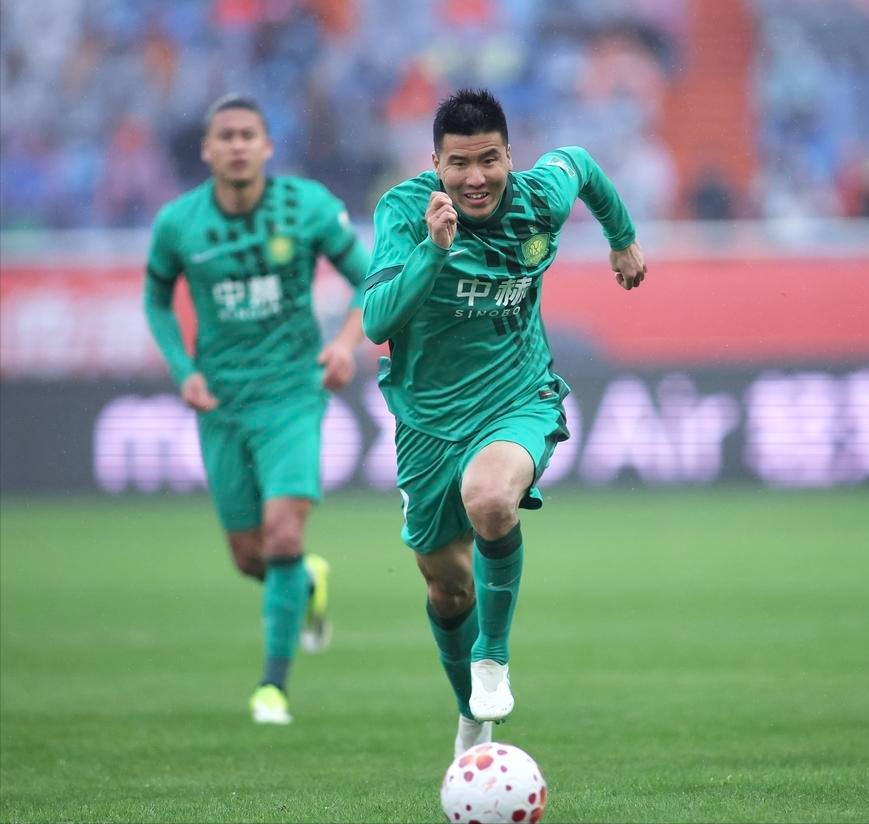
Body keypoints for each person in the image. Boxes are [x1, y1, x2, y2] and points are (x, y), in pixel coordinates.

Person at [362, 89, 646, 756]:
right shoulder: (404, 211)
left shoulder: (538, 199)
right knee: (445, 585)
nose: (476, 178)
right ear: (436, 163)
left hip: (518, 396)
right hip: (428, 421)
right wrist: (433, 251)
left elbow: (582, 165)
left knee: (491, 499)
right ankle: (471, 716)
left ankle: (492, 656)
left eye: (489, 160)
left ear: (510, 156)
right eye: (459, 163)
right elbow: (376, 321)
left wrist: (623, 239)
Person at [143, 95, 370, 725]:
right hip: (221, 401)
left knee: (284, 535)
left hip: (294, 394)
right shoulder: (178, 224)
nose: (238, 145)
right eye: (227, 136)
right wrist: (183, 371)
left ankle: (272, 688)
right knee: (252, 557)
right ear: (207, 150)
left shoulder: (307, 208)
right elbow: (156, 300)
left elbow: (371, 278)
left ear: (268, 146)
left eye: (249, 135)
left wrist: (345, 345)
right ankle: (305, 582)